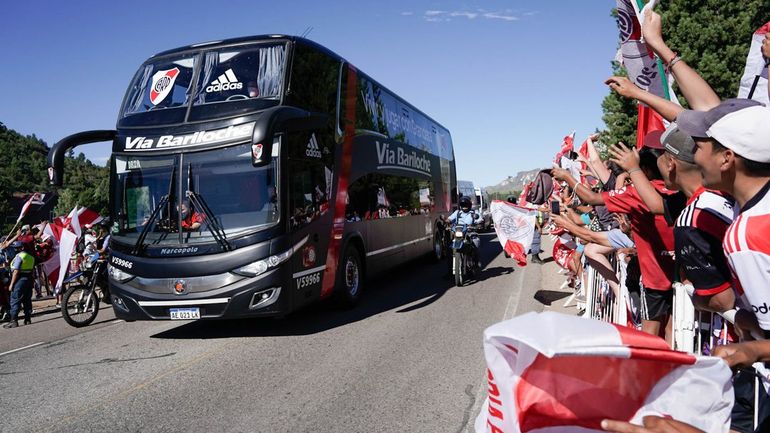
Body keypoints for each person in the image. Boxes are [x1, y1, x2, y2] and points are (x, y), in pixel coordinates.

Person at [552, 141, 676, 343]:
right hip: (680, 275)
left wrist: (567, 177)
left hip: (655, 279)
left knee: (648, 337)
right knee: (672, 329)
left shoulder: (636, 194)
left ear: (644, 169)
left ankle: (647, 373)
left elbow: (592, 198)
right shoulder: (679, 192)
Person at [3, 241, 35, 328]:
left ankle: (14, 321)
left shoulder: (19, 256)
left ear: (21, 248)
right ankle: (27, 319)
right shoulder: (31, 257)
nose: (15, 249)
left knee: (15, 300)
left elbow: (16, 271)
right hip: (28, 279)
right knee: (27, 300)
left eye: (16, 248)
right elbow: (32, 270)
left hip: (19, 279)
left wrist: (12, 284)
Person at [448, 196, 483, 269]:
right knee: (449, 250)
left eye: (466, 205)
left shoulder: (474, 212)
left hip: (470, 233)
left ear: (469, 205)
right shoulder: (457, 212)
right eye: (463, 205)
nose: (464, 207)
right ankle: (450, 271)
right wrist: (446, 221)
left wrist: (479, 223)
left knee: (476, 242)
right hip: (459, 233)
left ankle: (477, 261)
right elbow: (450, 219)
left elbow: (480, 219)